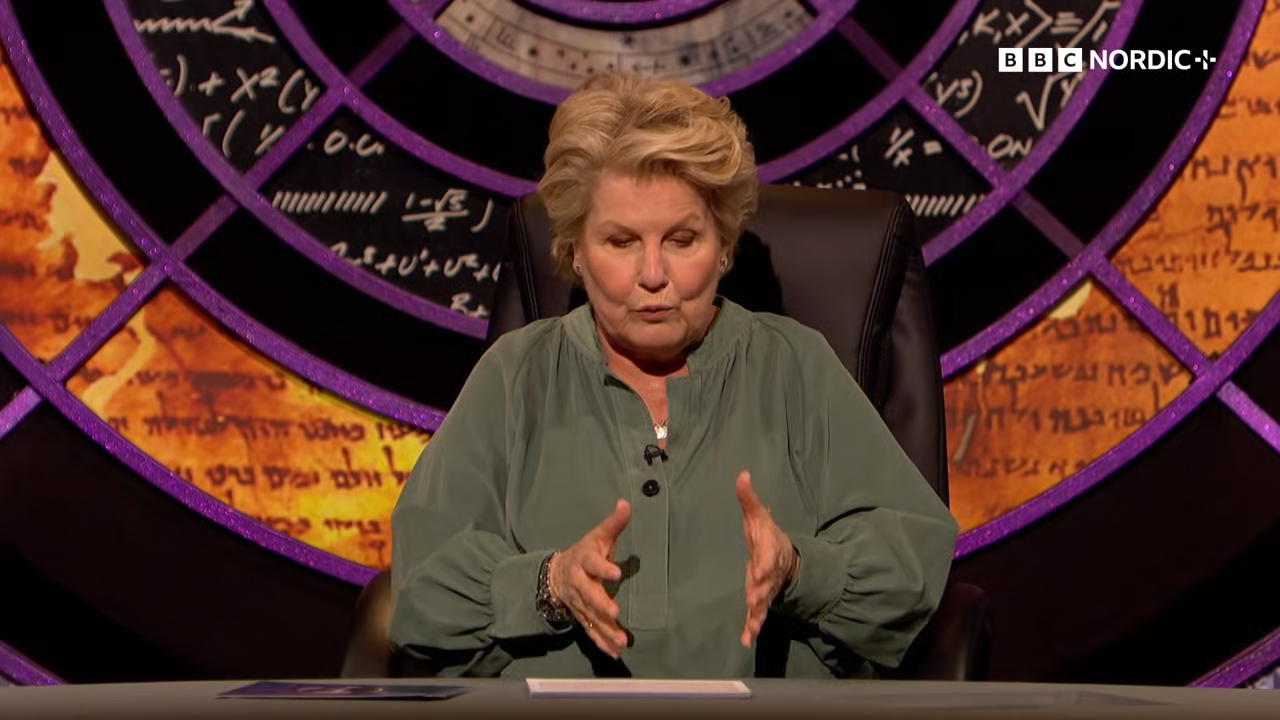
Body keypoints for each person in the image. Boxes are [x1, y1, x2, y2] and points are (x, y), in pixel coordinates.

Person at [388, 73, 959, 679]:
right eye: (621, 241)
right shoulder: (515, 375)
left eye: (682, 240)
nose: (654, 274)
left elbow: (911, 573)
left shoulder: (796, 365)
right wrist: (549, 585)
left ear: (724, 246)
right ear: (576, 252)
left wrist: (800, 570)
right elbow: (421, 595)